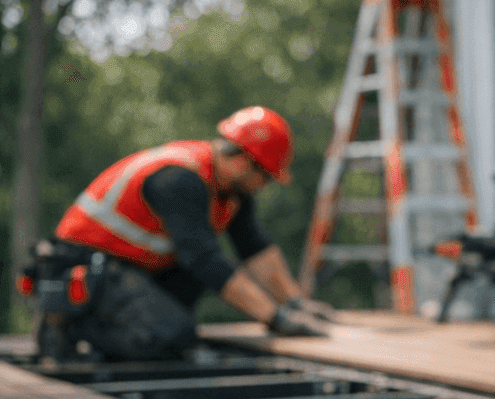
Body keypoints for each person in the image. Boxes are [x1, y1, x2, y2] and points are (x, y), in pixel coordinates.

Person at [26, 106, 332, 362]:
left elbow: (255, 248)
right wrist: (274, 318)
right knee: (171, 336)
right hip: (84, 266)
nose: (265, 186)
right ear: (243, 161)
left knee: (185, 304)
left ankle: (118, 334)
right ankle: (65, 323)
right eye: (265, 177)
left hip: (125, 268)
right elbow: (204, 259)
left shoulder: (230, 189)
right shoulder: (180, 179)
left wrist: (295, 303)